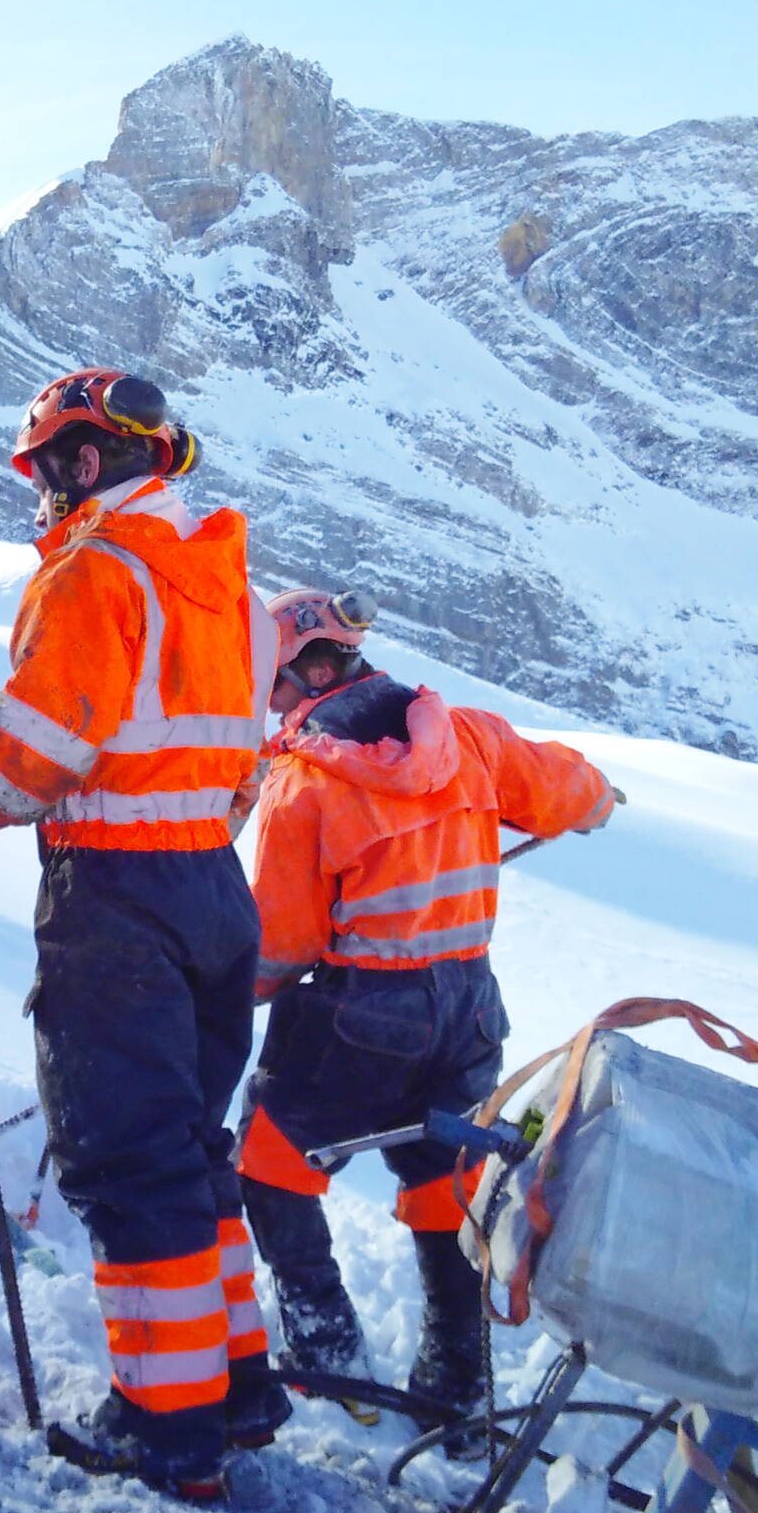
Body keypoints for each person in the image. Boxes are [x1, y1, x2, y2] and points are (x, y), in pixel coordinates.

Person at [0, 368, 286, 1502]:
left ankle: (167, 1429)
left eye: (43, 472)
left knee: (124, 1159)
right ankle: (235, 1386)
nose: (41, 499)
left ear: (79, 461)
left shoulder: (95, 575)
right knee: (189, 1149)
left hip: (115, 898)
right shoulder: (234, 594)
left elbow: (34, 751)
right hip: (214, 890)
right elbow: (237, 762)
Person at [234, 589, 614, 1444]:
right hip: (470, 1013)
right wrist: (596, 799)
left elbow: (284, 950)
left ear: (311, 673)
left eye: (278, 691)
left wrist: (219, 985)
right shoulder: (468, 736)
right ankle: (456, 1387)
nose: (276, 709)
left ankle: (333, 1363)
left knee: (269, 1163)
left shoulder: (305, 781)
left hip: (357, 1019)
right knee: (444, 1180)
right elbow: (568, 793)